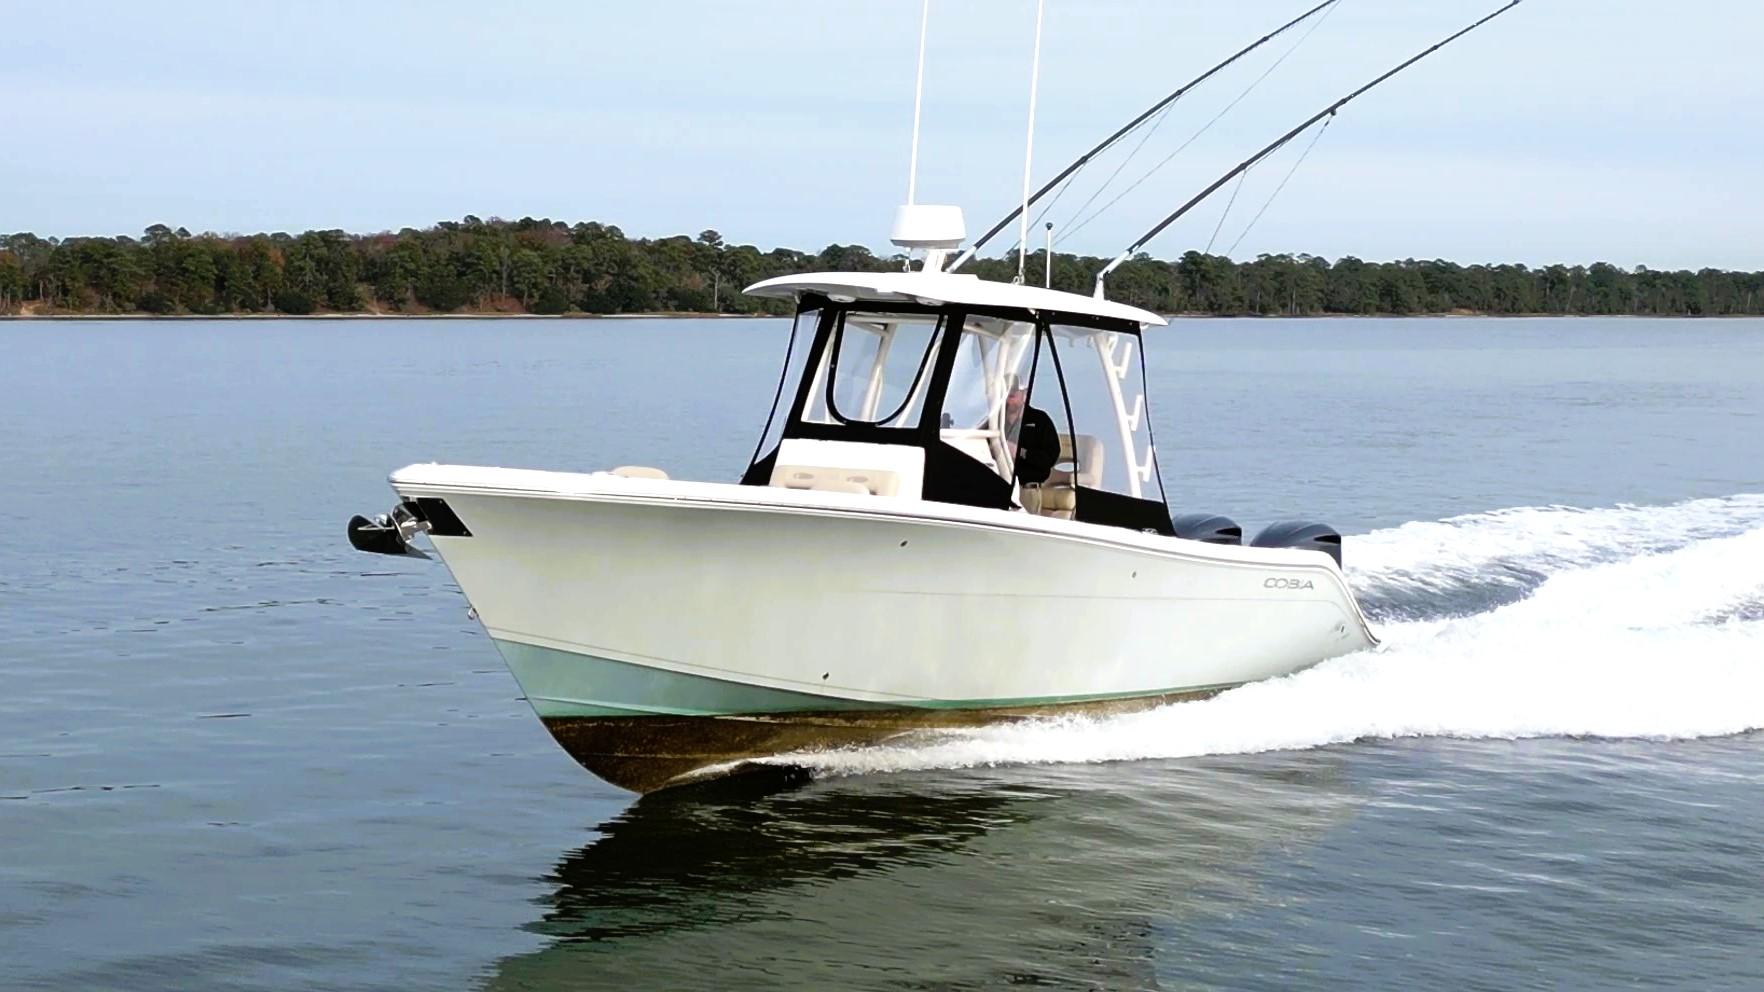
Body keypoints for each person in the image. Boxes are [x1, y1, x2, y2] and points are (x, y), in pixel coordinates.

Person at [1003, 379, 1060, 486]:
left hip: (1028, 485)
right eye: (1005, 392)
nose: (1008, 398)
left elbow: (1050, 458)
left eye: (1012, 394)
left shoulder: (1040, 420)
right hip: (998, 478)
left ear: (1025, 394)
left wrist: (1021, 452)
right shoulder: (993, 421)